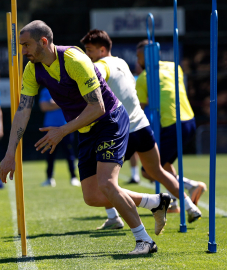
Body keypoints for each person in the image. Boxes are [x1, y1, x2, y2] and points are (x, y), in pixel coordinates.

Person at [0, 20, 171, 255]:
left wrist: (62, 130)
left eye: (26, 45)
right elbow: (22, 111)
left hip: (109, 120)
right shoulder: (32, 69)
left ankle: (144, 240)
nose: (23, 51)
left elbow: (97, 107)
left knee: (107, 183)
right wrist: (9, 155)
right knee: (92, 196)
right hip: (85, 128)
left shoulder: (74, 60)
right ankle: (154, 202)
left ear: (44, 42)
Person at [80, 29, 202, 230]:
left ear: (102, 49)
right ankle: (189, 206)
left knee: (100, 179)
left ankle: (117, 217)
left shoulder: (99, 66)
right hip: (143, 127)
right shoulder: (122, 63)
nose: (87, 55)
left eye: (90, 50)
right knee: (158, 171)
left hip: (121, 131)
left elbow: (90, 83)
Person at [135, 39, 207, 213]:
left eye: (139, 57)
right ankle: (173, 203)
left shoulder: (144, 78)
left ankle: (192, 186)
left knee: (147, 170)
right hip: (189, 120)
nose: (138, 61)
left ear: (145, 56)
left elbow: (139, 108)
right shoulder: (175, 67)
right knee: (164, 163)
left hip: (172, 123)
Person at [39, 87, 80, 187]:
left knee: (69, 154)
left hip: (65, 127)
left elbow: (71, 105)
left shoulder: (66, 89)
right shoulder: (45, 90)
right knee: (50, 154)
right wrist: (61, 102)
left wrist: (53, 103)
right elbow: (44, 107)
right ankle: (49, 178)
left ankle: (73, 177)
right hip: (49, 127)